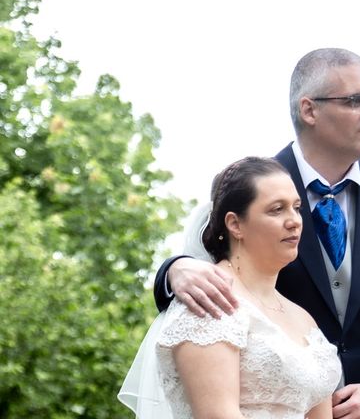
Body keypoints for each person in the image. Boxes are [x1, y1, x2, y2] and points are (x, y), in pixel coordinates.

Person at [154, 48, 360, 419]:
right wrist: (174, 270)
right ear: (309, 110)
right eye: (355, 100)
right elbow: (207, 265)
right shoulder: (251, 187)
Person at [119, 157, 342, 418]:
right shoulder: (209, 303)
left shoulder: (303, 318)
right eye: (276, 209)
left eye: (296, 207)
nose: (294, 220)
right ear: (235, 224)